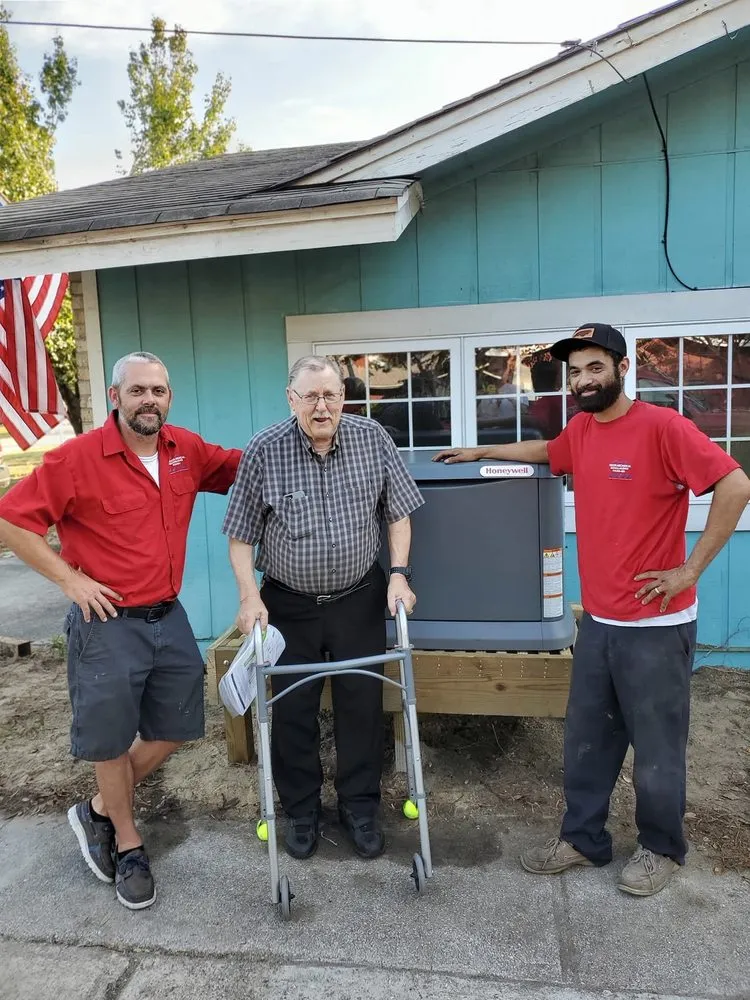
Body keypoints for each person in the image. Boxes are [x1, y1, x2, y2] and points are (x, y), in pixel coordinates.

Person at [435, 323, 750, 897]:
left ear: (622, 369)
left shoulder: (663, 427)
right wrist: (483, 448)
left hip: (657, 626)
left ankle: (661, 848)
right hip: (600, 622)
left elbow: (734, 484)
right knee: (588, 739)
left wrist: (690, 570)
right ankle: (584, 839)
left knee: (657, 746)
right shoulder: (581, 430)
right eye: (575, 371)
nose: (582, 380)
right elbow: (547, 452)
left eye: (594, 368)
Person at [0, 352, 242, 910]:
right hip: (106, 622)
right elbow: (13, 520)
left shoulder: (186, 451)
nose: (148, 400)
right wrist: (70, 581)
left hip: (168, 614)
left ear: (169, 397)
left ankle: (101, 809)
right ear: (115, 397)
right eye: (137, 391)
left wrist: (313, 424)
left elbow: (242, 467)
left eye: (158, 390)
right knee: (110, 738)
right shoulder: (78, 459)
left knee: (178, 724)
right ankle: (129, 845)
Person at [223, 355, 423, 861]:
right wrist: (250, 596)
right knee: (293, 710)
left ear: (344, 397)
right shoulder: (265, 450)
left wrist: (398, 575)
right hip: (288, 603)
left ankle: (359, 807)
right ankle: (302, 811)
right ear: (291, 400)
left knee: (361, 705)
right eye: (310, 396)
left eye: (330, 395)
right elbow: (241, 536)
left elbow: (399, 513)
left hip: (358, 596)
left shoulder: (372, 440)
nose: (321, 406)